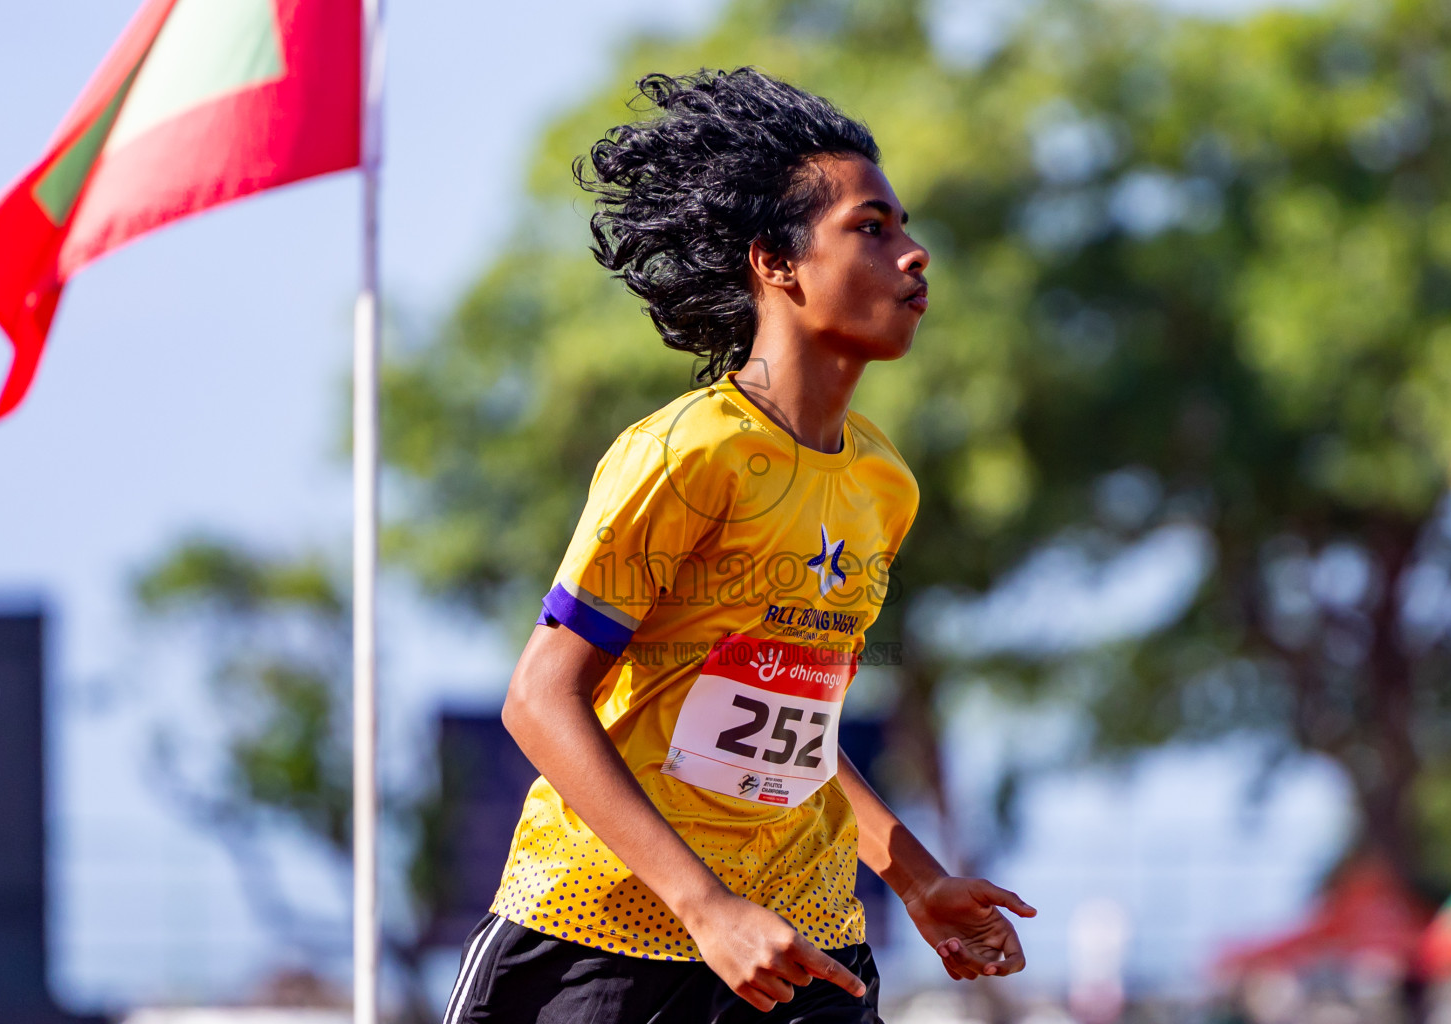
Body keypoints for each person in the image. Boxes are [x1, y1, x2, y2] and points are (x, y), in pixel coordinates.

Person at [442, 67, 1035, 1024]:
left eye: (907, 228)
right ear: (777, 262)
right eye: (872, 228)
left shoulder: (884, 484)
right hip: (601, 940)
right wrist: (707, 908)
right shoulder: (687, 453)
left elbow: (797, 727)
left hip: (802, 941)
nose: (915, 256)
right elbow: (539, 698)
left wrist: (917, 879)